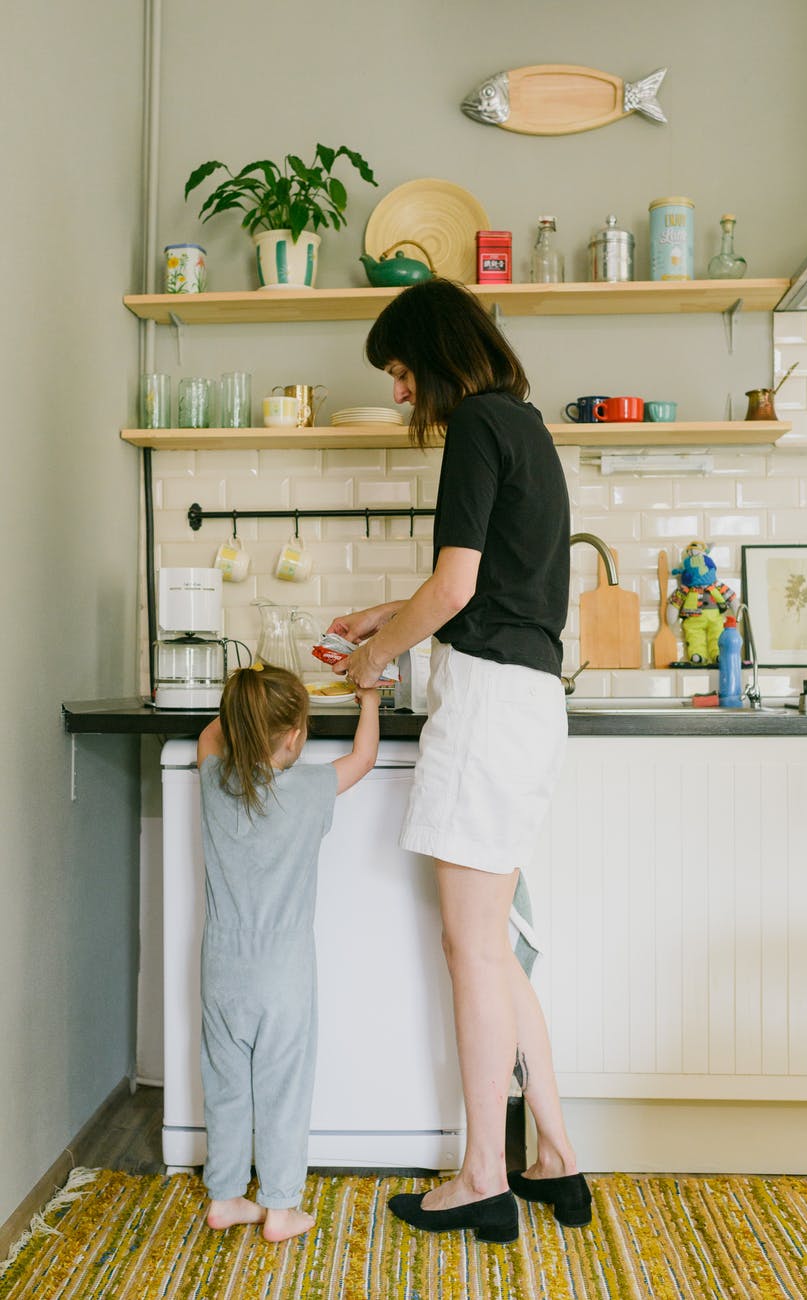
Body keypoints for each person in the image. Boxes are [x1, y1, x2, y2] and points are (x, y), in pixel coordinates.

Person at [326, 279, 591, 1244]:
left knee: (471, 950)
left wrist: (376, 653)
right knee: (494, 947)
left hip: (485, 708)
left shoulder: (477, 425)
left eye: (400, 372)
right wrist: (381, 618)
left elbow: (456, 584)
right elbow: (481, 585)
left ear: (436, 359)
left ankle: (484, 1174)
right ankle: (554, 1156)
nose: (400, 393)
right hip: (526, 705)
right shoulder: (520, 424)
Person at [196, 662, 380, 1242]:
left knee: (226, 1083)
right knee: (282, 1085)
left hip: (221, 968)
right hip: (284, 973)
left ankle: (225, 1198)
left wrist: (242, 711)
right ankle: (280, 1207)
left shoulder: (214, 779)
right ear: (296, 735)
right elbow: (365, 758)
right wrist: (368, 699)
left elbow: (211, 735)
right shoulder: (309, 788)